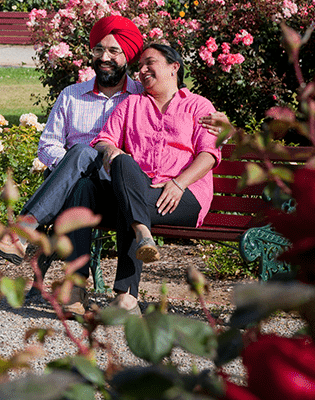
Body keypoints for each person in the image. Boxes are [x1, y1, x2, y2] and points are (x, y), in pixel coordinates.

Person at [0, 15, 146, 283]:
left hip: (120, 192)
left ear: (128, 56)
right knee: (81, 178)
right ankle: (75, 288)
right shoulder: (72, 95)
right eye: (98, 49)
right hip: (77, 190)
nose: (104, 57)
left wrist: (79, 160)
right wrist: (73, 169)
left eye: (113, 50)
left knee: (84, 152)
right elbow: (48, 144)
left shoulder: (142, 97)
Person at [90, 43, 222, 314]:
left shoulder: (199, 106)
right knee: (122, 161)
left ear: (174, 66)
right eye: (139, 66)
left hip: (186, 194)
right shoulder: (132, 104)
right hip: (142, 190)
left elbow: (208, 154)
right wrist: (109, 149)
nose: (143, 70)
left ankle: (126, 295)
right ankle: (142, 235)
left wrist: (178, 183)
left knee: (128, 204)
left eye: (150, 62)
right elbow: (104, 139)